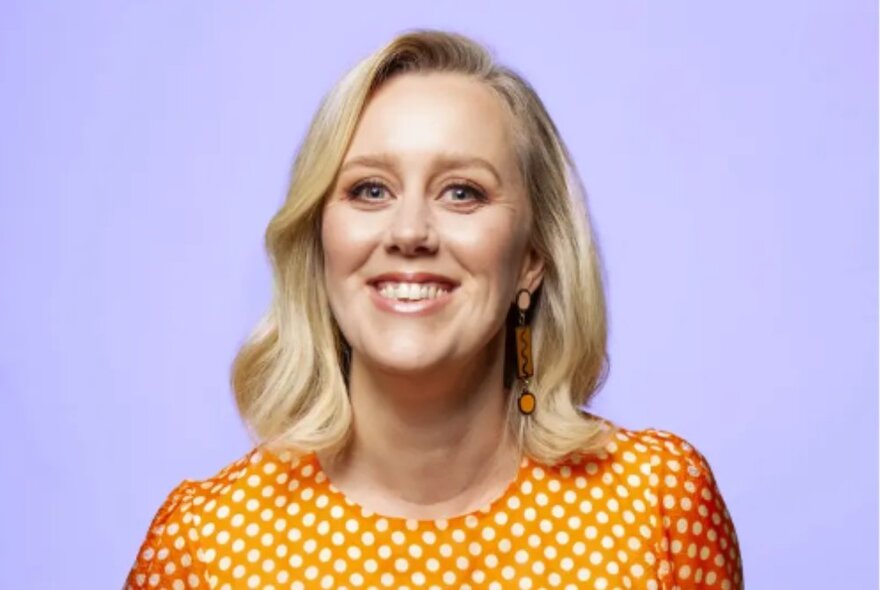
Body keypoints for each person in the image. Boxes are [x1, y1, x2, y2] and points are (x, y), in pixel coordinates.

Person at [125, 29, 743, 590]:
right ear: (320, 241)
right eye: (370, 190)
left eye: (461, 192)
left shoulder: (657, 505)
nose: (411, 231)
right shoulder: (208, 546)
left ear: (533, 256)